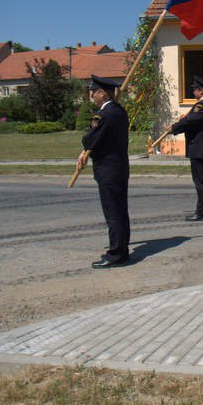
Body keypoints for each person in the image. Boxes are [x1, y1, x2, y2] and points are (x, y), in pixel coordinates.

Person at [76, 75, 131, 268]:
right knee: (119, 210)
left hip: (109, 169)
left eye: (93, 91)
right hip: (117, 168)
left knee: (113, 212)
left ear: (102, 93)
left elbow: (90, 139)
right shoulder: (119, 111)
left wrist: (85, 148)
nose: (91, 95)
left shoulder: (105, 115)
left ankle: (117, 254)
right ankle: (121, 247)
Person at [170, 76, 203, 221]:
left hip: (200, 149)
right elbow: (191, 118)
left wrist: (174, 128)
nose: (193, 92)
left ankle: (202, 211)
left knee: (201, 181)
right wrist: (184, 120)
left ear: (201, 91)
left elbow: (192, 120)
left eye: (194, 90)